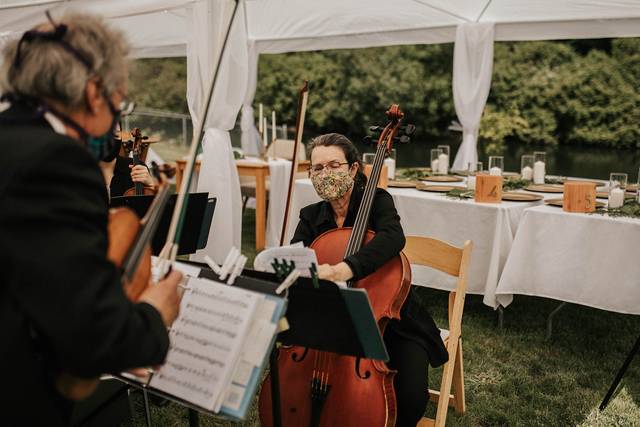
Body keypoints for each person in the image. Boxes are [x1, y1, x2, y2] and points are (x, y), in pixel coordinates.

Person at [0, 12, 181, 426]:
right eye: (121, 98)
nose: (119, 112)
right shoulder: (53, 158)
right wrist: (154, 315)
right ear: (94, 91)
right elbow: (92, 339)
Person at [291, 133, 449, 427]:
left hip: (390, 321)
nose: (326, 174)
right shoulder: (311, 217)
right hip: (331, 321)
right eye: (318, 168)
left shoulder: (376, 201)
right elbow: (296, 258)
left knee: (410, 400)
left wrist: (345, 269)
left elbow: (393, 237)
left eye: (334, 165)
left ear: (352, 169)